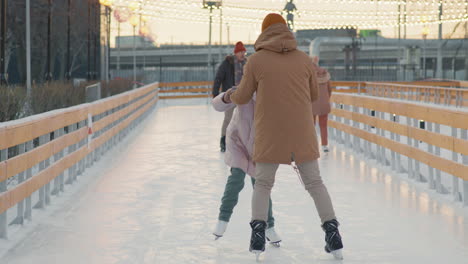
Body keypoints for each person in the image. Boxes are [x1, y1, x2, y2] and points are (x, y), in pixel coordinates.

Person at [226, 13, 343, 260]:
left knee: (263, 183)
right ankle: (333, 235)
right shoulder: (303, 60)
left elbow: (243, 96)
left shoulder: (256, 61)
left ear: (264, 32)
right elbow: (313, 94)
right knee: (314, 183)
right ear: (286, 30)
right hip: (301, 133)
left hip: (270, 133)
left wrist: (229, 97)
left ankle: (258, 236)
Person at [211, 49, 281, 245]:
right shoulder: (244, 89)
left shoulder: (271, 96)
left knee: (261, 187)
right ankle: (222, 219)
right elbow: (217, 105)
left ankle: (270, 227)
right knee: (236, 180)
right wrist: (226, 96)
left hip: (260, 147)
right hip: (239, 143)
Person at [212, 41, 247, 152]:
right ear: (235, 53)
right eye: (240, 52)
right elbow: (218, 77)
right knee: (228, 119)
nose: (242, 54)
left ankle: (241, 142)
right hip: (230, 96)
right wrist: (215, 94)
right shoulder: (228, 63)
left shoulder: (247, 63)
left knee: (243, 119)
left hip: (244, 96)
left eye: (243, 52)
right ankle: (223, 141)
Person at [311, 56, 332, 153]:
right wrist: (326, 99)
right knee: (323, 125)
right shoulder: (325, 74)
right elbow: (329, 90)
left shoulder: (308, 73)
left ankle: (312, 145)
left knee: (311, 125)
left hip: (311, 103)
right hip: (324, 103)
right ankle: (324, 145)